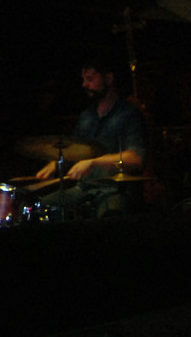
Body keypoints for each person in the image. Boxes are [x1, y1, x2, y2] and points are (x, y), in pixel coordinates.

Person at [33, 52, 147, 218]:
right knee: (42, 208)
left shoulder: (128, 114)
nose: (85, 85)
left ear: (108, 79)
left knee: (110, 213)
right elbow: (73, 152)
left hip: (115, 191)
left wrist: (93, 163)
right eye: (83, 79)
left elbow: (136, 158)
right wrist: (56, 163)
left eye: (90, 79)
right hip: (85, 189)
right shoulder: (86, 117)